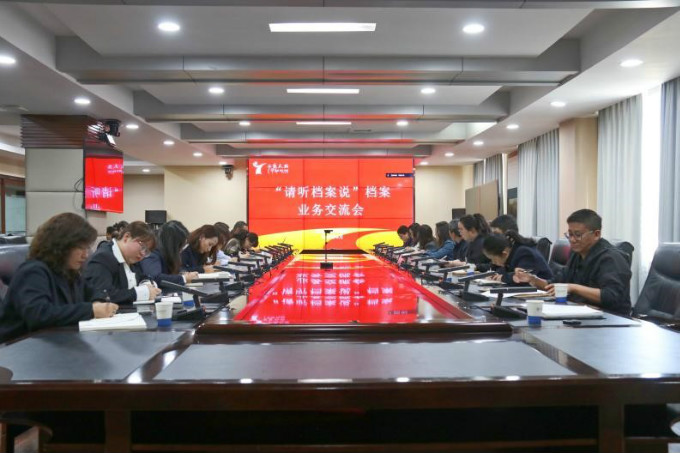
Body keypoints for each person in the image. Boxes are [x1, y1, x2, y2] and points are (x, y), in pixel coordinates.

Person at [0, 213, 118, 343]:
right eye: (80, 248)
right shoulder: (33, 272)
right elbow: (39, 315)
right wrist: (91, 310)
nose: (85, 255)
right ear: (61, 245)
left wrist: (97, 302)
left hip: (56, 342)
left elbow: (94, 291)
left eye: (87, 248)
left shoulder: (68, 272)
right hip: (20, 347)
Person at [514, 209, 632, 314]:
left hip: (610, 319)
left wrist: (574, 288)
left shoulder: (611, 258)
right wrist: (532, 279)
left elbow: (611, 297)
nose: (572, 240)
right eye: (570, 234)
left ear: (596, 234)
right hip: (580, 312)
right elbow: (555, 284)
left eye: (578, 235)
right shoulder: (576, 254)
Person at [84, 221, 162, 304]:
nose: (143, 253)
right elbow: (104, 295)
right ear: (126, 237)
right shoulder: (103, 257)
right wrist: (141, 293)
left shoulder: (132, 259)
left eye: (146, 251)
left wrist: (147, 284)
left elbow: (143, 277)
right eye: (142, 247)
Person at [139, 221, 199, 288]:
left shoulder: (165, 252)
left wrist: (182, 273)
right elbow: (155, 278)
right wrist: (183, 278)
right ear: (173, 244)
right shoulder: (153, 252)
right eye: (181, 245)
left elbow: (171, 270)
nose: (181, 249)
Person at [482, 232, 553, 285]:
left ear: (504, 254)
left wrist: (502, 278)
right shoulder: (513, 252)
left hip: (544, 291)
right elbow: (507, 272)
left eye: (494, 259)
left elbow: (522, 278)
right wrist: (495, 275)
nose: (493, 262)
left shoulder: (525, 253)